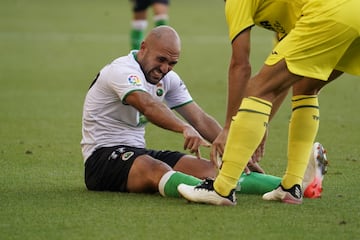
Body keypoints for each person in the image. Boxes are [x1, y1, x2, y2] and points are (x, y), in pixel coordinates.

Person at [80, 25, 327, 198]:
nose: (165, 68)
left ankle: (297, 186)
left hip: (138, 151)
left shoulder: (169, 78)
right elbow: (148, 105)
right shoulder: (121, 70)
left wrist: (235, 152)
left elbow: (199, 118)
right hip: (102, 159)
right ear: (143, 48)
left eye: (172, 63)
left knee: (218, 170)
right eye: (161, 60)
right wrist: (182, 127)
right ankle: (207, 191)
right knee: (155, 169)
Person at [177, 0, 359, 205]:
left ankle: (222, 188)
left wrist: (229, 127)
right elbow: (281, 81)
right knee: (305, 87)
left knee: (257, 88)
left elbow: (240, 65)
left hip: (332, 12)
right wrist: (257, 125)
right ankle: (291, 187)